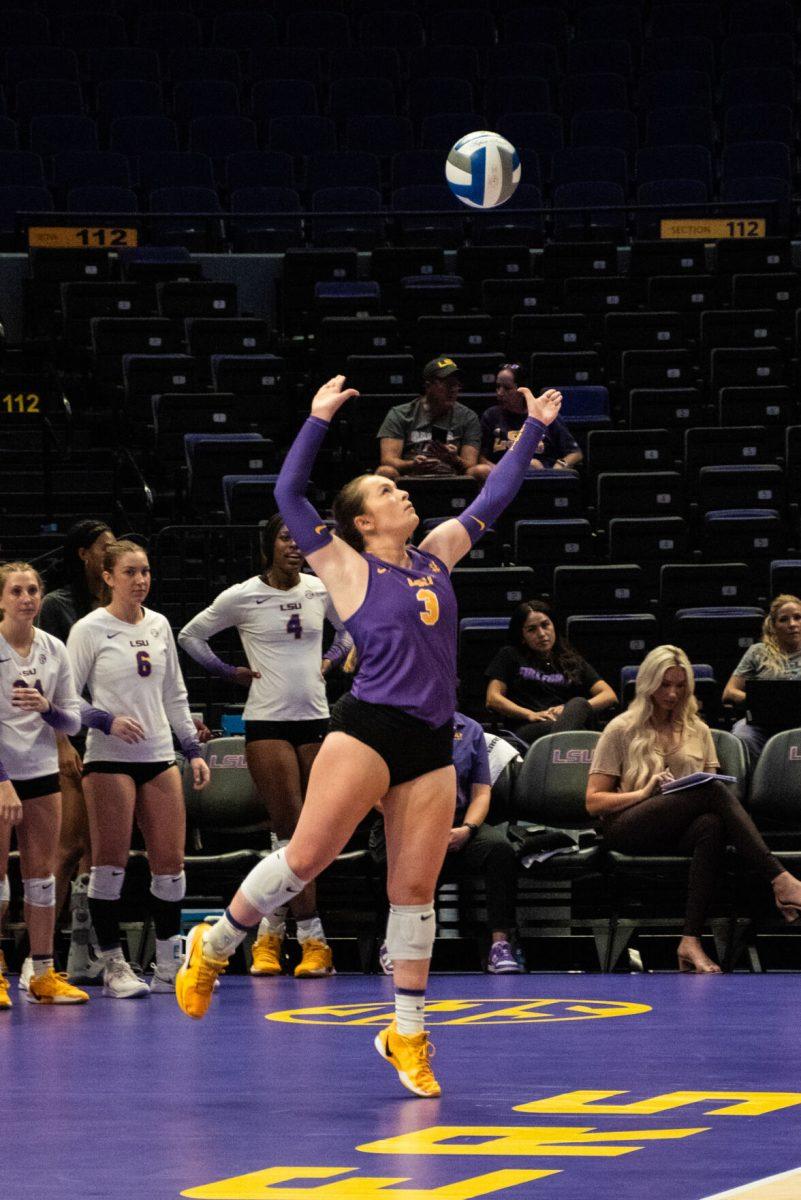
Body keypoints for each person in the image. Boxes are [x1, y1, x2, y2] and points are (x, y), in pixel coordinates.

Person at [175, 374, 563, 1099]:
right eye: (386, 494)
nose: (402, 495)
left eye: (398, 491)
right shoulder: (346, 568)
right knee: (305, 858)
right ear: (360, 521)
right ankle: (217, 942)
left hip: (431, 741)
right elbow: (290, 497)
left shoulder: (437, 553)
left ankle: (407, 1035)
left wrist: (534, 428)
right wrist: (317, 418)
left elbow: (496, 496)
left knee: (413, 893)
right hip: (368, 729)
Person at [178, 514, 352, 979]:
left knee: (303, 836)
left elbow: (351, 628)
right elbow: (190, 635)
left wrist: (332, 660)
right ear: (267, 545)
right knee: (294, 831)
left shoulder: (318, 588)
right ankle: (314, 939)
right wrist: (227, 671)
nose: (294, 546)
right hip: (267, 721)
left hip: (316, 719)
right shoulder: (242, 595)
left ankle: (270, 935)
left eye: (299, 540)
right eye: (283, 538)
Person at [586, 644, 801, 973]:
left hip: (678, 826)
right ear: (647, 684)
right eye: (664, 685)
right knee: (712, 793)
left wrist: (679, 793)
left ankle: (690, 940)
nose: (672, 694)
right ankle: (780, 878)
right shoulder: (621, 728)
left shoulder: (698, 730)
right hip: (628, 826)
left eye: (680, 685)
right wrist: (644, 792)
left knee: (712, 825)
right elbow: (593, 802)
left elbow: (707, 792)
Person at [67, 540, 210, 999]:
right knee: (110, 866)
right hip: (108, 758)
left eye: (146, 571)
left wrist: (193, 748)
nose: (141, 580)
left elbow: (175, 694)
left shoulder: (160, 624)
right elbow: (66, 700)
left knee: (170, 866)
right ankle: (112, 964)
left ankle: (168, 964)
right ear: (108, 577)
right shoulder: (91, 628)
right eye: (130, 572)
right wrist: (105, 720)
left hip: (158, 754)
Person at [376, 710, 524, 977]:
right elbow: (375, 790)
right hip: (403, 818)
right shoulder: (392, 722)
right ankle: (396, 943)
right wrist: (420, 828)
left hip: (456, 822)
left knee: (499, 849)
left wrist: (467, 829)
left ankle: (499, 944)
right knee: (405, 855)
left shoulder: (470, 729)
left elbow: (481, 792)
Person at [0, 561, 88, 1006]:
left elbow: (72, 718)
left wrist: (46, 707)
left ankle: (42, 973)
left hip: (41, 773)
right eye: (16, 590)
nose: (27, 598)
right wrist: (2, 782)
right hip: (1, 776)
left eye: (33, 590)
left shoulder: (54, 649)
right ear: (1, 599)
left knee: (42, 878)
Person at [36, 518, 116, 986]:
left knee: (94, 851)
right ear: (84, 554)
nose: (111, 555)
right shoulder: (56, 607)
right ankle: (37, 954)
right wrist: (63, 742)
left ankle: (81, 953)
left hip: (106, 742)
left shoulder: (113, 604)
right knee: (65, 850)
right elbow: (51, 684)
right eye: (103, 548)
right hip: (65, 739)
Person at [485, 599, 617, 744]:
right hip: (528, 726)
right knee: (580, 727)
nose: (541, 634)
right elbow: (493, 698)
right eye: (531, 629)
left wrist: (568, 711)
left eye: (545, 625)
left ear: (553, 626)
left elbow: (609, 695)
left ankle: (554, 753)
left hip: (567, 722)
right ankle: (559, 749)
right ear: (522, 636)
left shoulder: (570, 659)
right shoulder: (510, 655)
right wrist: (529, 714)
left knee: (579, 703)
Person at [375, 356, 489, 482]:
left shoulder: (468, 416)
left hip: (454, 476)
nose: (453, 389)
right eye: (447, 384)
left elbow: (470, 463)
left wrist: (454, 459)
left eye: (456, 384)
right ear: (428, 386)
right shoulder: (400, 414)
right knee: (385, 471)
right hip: (411, 476)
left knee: (482, 471)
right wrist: (412, 465)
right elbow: (388, 459)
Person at [722, 593, 801, 766]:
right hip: (762, 722)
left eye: (797, 617)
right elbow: (729, 692)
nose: (792, 624)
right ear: (773, 625)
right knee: (743, 734)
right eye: (784, 620)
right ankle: (755, 786)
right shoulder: (758, 652)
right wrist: (759, 702)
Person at [480, 363, 582, 472]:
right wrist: (500, 473)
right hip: (502, 477)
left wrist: (558, 467)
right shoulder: (491, 416)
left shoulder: (545, 414)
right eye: (497, 386)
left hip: (540, 477)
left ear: (523, 390)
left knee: (532, 464)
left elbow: (575, 453)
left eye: (507, 388)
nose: (500, 393)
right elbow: (481, 458)